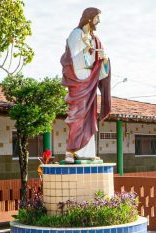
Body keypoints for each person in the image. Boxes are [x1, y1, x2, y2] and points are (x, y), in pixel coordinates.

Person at [60, 7, 111, 163]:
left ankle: (86, 153)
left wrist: (105, 60)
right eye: (96, 18)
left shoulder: (96, 39)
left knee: (89, 118)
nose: (98, 21)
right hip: (78, 80)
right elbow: (71, 58)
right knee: (77, 116)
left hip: (91, 82)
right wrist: (87, 52)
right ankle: (71, 151)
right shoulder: (76, 34)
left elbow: (102, 68)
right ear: (89, 18)